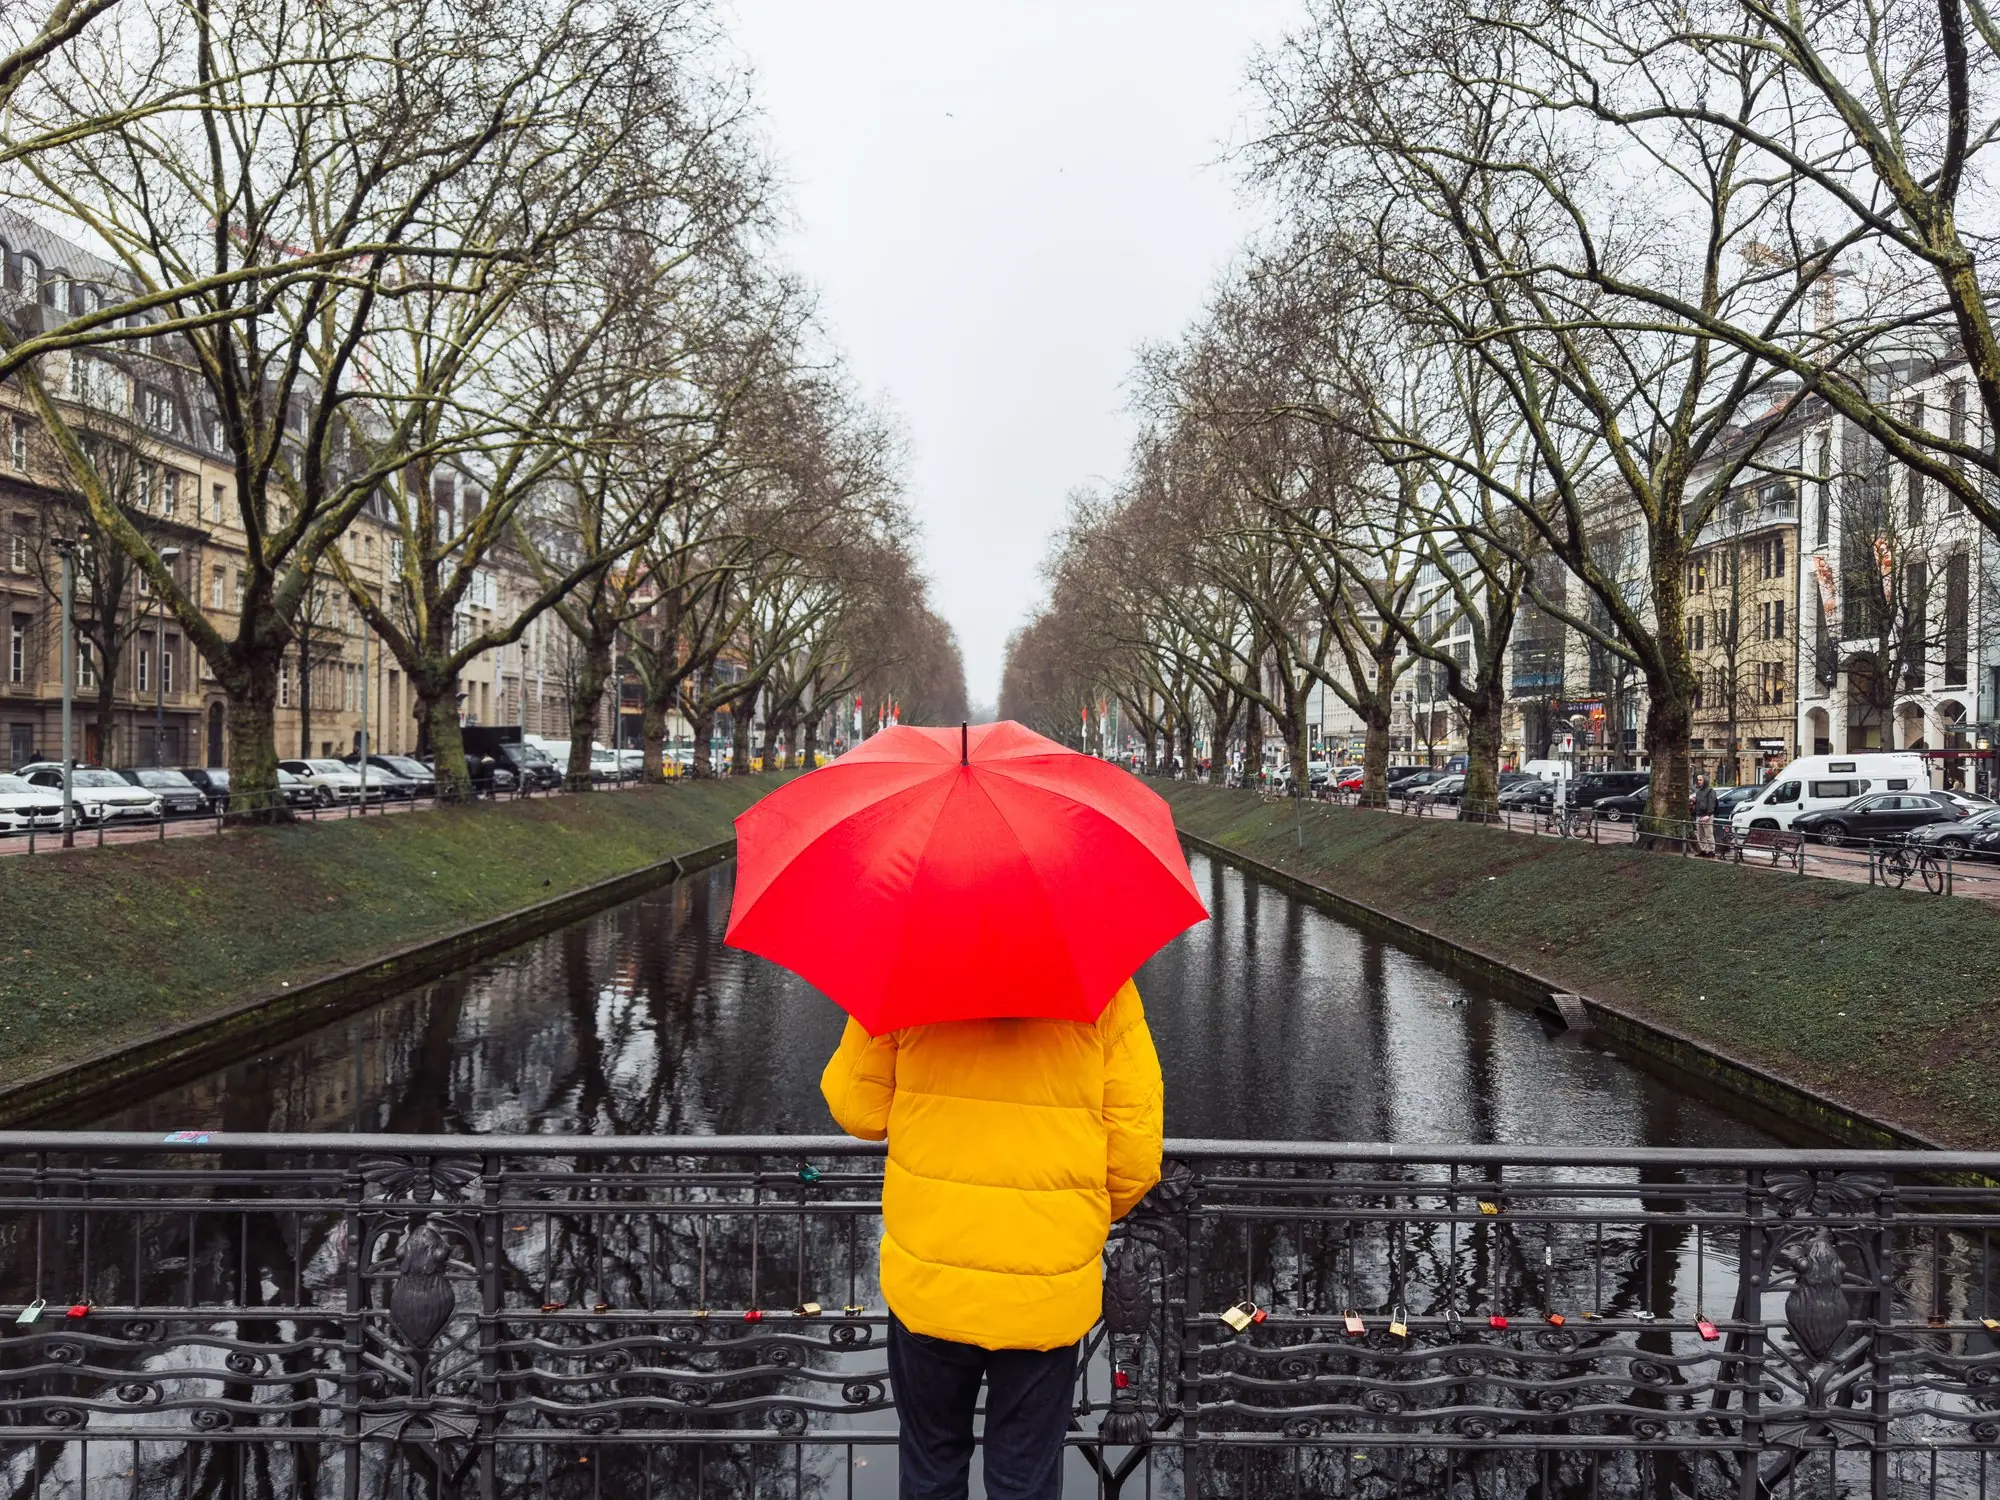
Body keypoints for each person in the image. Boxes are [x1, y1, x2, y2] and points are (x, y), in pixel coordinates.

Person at [821, 979, 1164, 1500]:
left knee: (932, 1465)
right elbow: (1135, 1158)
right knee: (1023, 1479)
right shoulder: (1101, 987)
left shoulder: (909, 974)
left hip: (932, 1277)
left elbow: (858, 1110)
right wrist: (1072, 1218)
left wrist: (878, 999)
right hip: (1044, 1285)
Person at [1694, 773, 1718, 855]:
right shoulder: (1698, 792)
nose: (1699, 781)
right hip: (1699, 815)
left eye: (1700, 780)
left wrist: (1708, 815)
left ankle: (1711, 851)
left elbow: (1712, 803)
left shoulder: (1710, 791)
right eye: (1698, 780)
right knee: (1700, 835)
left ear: (1705, 781)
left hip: (1707, 815)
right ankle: (1704, 849)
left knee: (1708, 834)